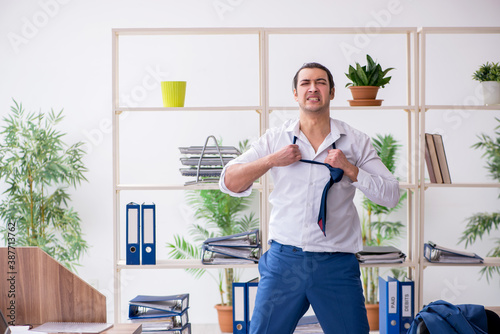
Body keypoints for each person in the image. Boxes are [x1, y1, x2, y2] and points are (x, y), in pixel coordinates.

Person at [219, 62, 400, 334]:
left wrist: (351, 169)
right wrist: (271, 160)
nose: (313, 88)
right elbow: (229, 180)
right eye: (305, 83)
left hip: (336, 264)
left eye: (320, 82)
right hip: (284, 262)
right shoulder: (276, 139)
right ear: (295, 93)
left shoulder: (356, 141)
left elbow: (391, 194)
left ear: (332, 92)